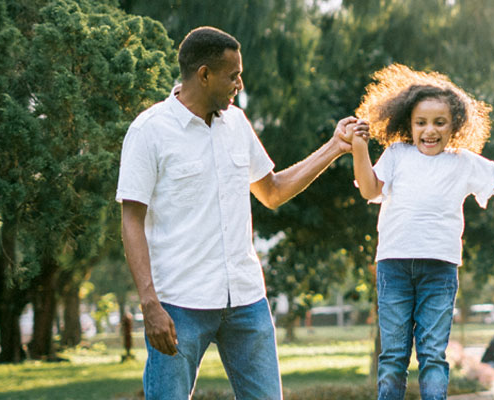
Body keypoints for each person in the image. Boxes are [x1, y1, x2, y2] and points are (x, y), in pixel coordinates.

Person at [116, 26, 355, 399]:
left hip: (245, 299)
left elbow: (272, 192)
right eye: (233, 75)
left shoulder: (237, 125)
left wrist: (335, 147)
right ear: (204, 74)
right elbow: (131, 219)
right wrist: (149, 302)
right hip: (179, 305)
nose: (240, 83)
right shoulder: (149, 131)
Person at [345, 64, 494, 400]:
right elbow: (368, 188)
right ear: (409, 123)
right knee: (393, 357)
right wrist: (359, 148)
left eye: (439, 122)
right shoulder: (396, 154)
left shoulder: (463, 161)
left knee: (433, 355)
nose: (429, 130)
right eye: (421, 123)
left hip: (440, 268)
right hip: (394, 265)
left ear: (455, 126)